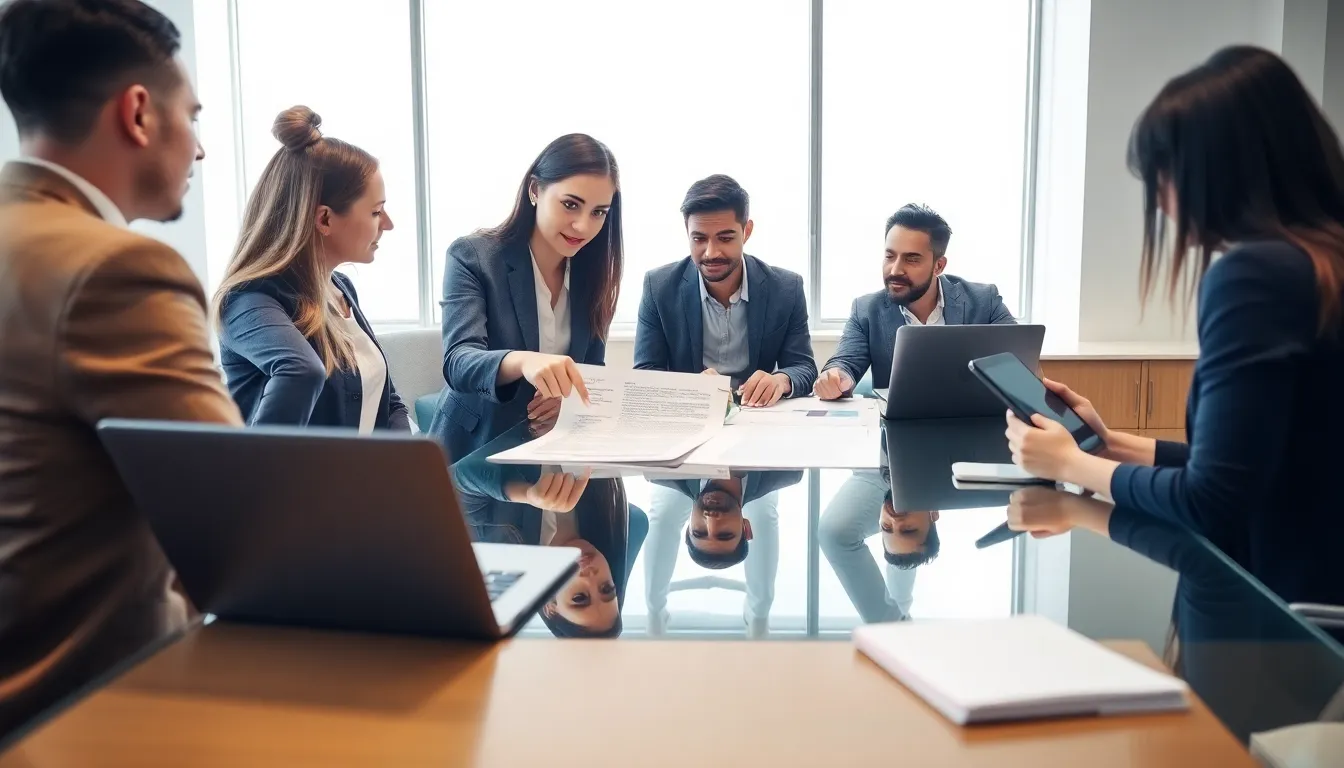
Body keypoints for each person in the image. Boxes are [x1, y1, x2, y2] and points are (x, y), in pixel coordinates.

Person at [1005, 46, 1344, 610]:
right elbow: (1262, 471)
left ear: (1217, 169)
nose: (1161, 203)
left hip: (1284, 625)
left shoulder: (1255, 275)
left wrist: (1071, 465)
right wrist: (1110, 443)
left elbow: (1211, 501)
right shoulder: (1320, 264)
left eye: (1165, 177)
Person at [0, 0, 243, 737]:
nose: (200, 148)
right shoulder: (118, 268)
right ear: (139, 113)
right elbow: (240, 519)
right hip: (85, 710)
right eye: (193, 117)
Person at [213, 107, 409, 432]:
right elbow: (301, 371)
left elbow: (388, 402)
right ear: (325, 219)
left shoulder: (341, 289)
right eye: (376, 212)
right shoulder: (246, 301)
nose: (388, 224)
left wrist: (413, 466)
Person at [427, 134, 622, 461]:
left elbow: (591, 372)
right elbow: (458, 362)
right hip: (473, 459)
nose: (583, 225)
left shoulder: (593, 275)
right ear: (535, 190)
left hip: (555, 456)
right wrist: (524, 361)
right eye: (570, 204)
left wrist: (567, 403)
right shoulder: (474, 256)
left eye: (599, 212)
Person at [634, 174, 816, 405]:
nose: (711, 253)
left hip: (759, 417)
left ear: (746, 231)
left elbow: (804, 367)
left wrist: (780, 380)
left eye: (725, 238)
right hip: (691, 416)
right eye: (699, 239)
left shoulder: (786, 288)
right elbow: (645, 375)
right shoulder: (658, 287)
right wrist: (690, 389)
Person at [814, 203, 1016, 400]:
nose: (895, 270)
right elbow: (846, 362)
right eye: (890, 256)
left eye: (911, 259)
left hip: (972, 423)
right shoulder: (866, 310)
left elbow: (1020, 362)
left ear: (939, 265)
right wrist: (837, 378)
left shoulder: (984, 301)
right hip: (899, 428)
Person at [642, 471, 801, 637]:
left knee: (663, 515)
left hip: (683, 471)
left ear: (689, 528)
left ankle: (759, 612)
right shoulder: (786, 472)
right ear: (746, 528)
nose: (711, 519)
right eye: (725, 534)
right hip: (752, 471)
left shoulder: (659, 472)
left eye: (699, 532)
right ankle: (655, 608)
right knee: (763, 519)